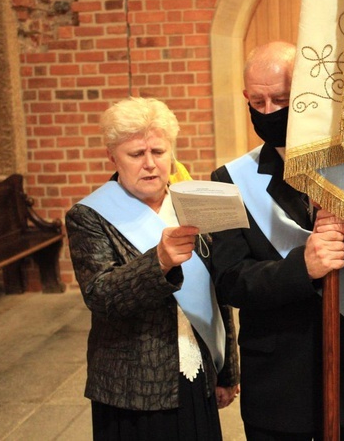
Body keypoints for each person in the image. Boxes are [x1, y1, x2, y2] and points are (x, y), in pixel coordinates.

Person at [209, 41, 344, 440]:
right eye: (258, 101)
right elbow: (229, 279)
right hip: (277, 384)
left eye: (281, 99)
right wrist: (300, 267)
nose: (269, 111)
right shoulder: (228, 181)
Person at [66, 97, 239, 440]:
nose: (150, 164)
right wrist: (157, 262)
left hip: (196, 372)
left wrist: (227, 370)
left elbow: (215, 294)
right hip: (132, 388)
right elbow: (101, 296)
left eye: (158, 152)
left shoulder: (190, 204)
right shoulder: (89, 216)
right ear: (112, 157)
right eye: (136, 154)